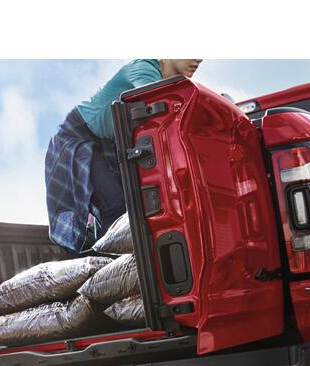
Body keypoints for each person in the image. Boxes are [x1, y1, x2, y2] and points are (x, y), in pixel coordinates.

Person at [45, 59, 201, 255]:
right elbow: (162, 110)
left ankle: (114, 263)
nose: (198, 59)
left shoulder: (168, 82)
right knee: (115, 205)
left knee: (130, 203)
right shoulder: (144, 69)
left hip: (106, 142)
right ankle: (107, 271)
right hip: (78, 135)